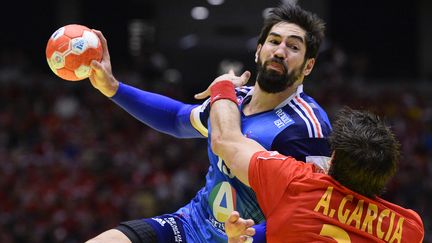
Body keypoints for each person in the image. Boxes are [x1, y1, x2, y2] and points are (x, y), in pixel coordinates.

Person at [86, 3, 332, 243]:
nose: (280, 51)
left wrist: (251, 237)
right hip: (190, 224)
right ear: (258, 50)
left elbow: (307, 212)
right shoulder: (230, 99)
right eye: (274, 41)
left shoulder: (308, 128)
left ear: (308, 65)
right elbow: (176, 118)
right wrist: (114, 89)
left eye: (293, 47)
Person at [207, 81, 424, 242]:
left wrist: (223, 86)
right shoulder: (409, 229)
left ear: (334, 157)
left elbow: (225, 140)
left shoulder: (295, 182)